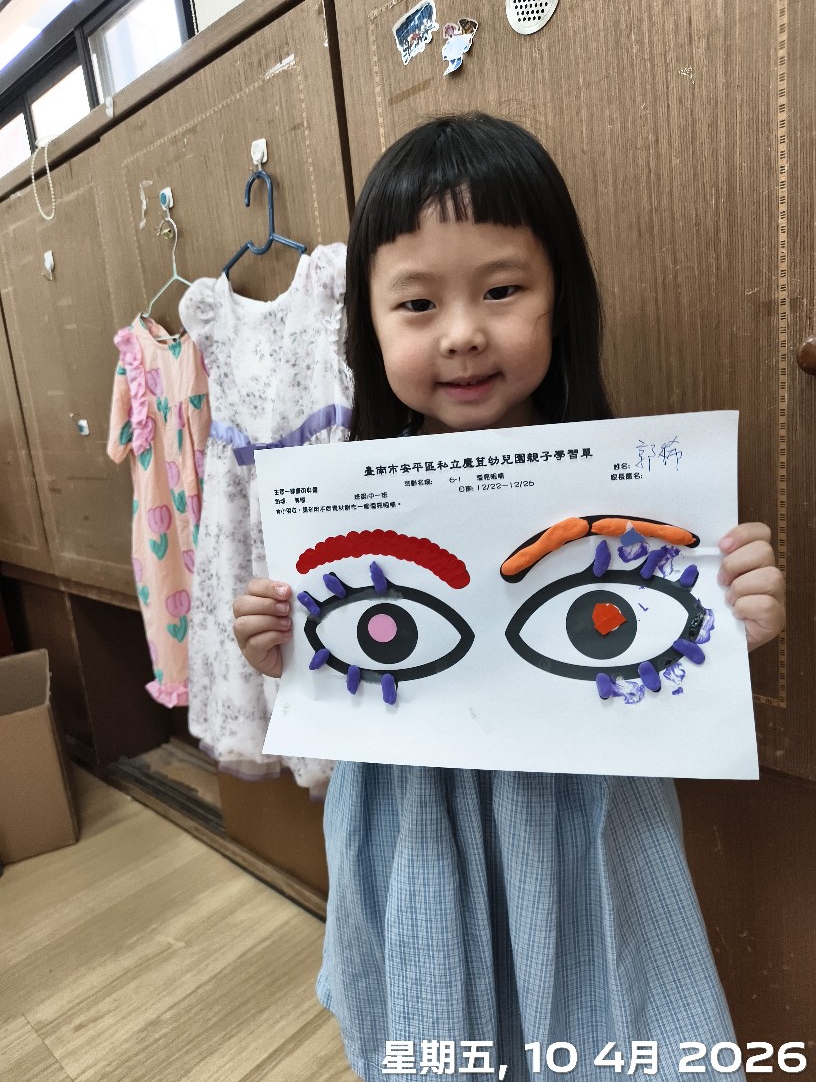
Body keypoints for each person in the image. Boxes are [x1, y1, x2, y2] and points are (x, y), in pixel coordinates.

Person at [232, 114, 785, 1081]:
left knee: (615, 1016)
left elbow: (674, 659)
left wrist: (738, 614)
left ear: (560, 299)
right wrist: (280, 643)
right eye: (416, 304)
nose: (462, 333)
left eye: (501, 290)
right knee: (438, 1017)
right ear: (367, 323)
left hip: (589, 810)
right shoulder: (342, 500)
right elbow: (335, 670)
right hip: (413, 815)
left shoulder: (631, 489)